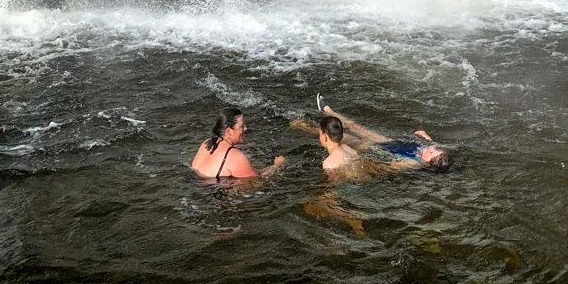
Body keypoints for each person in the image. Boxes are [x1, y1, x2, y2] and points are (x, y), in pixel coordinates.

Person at [314, 94, 454, 172]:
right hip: (390, 143)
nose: (429, 148)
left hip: (381, 149)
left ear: (428, 162)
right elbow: (436, 148)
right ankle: (329, 112)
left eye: (431, 152)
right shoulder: (430, 152)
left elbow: (386, 167)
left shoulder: (413, 163)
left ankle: (319, 124)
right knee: (358, 127)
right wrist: (428, 138)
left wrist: (363, 157)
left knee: (346, 136)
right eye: (434, 148)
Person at [191, 105, 285, 180]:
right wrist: (277, 166)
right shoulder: (234, 156)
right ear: (228, 131)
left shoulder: (207, 143)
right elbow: (257, 182)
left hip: (199, 189)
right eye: (242, 126)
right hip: (217, 197)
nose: (246, 128)